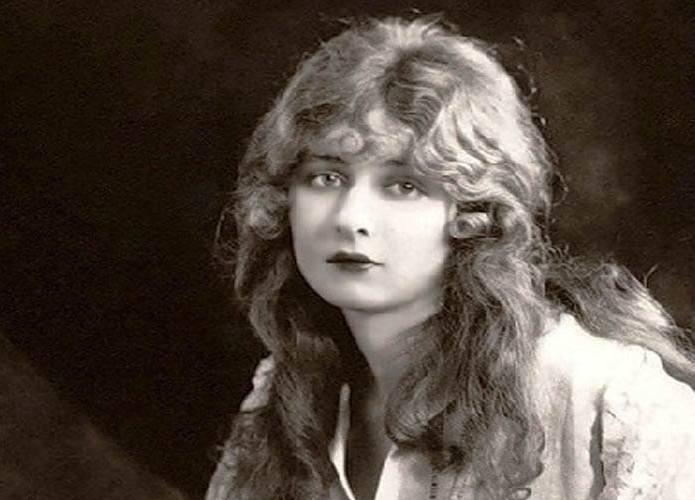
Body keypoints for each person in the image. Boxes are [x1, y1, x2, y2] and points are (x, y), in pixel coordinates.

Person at [206, 15, 695, 500]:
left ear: (471, 214)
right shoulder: (290, 395)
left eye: (404, 185)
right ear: (282, 201)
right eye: (326, 178)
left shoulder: (605, 402)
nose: (350, 218)